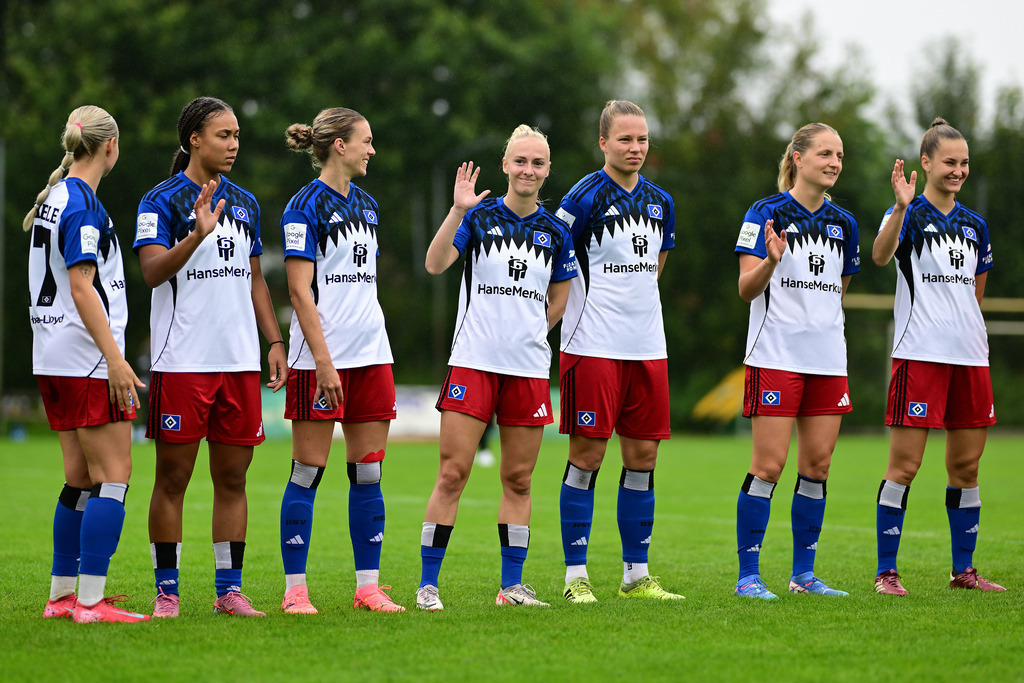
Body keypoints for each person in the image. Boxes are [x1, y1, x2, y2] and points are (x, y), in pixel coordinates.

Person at [135, 96, 287, 618]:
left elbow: (254, 280)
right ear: (194, 139)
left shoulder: (244, 203)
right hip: (182, 363)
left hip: (239, 363)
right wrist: (196, 237)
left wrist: (274, 342)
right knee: (173, 479)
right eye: (223, 135)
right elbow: (153, 272)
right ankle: (167, 591)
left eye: (237, 135)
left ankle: (229, 591)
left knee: (234, 479)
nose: (234, 144)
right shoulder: (160, 202)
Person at [417, 124, 577, 610]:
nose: (528, 170)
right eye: (520, 161)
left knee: (520, 480)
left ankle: (511, 587)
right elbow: (435, 262)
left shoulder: (556, 233)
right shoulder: (478, 216)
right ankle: (428, 585)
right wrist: (456, 209)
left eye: (538, 163)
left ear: (547, 171)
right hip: (472, 364)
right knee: (452, 474)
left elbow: (561, 299)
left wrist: (529, 332)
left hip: (527, 371)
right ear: (506, 165)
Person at [276, 107, 404, 614]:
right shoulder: (301, 207)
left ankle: (368, 587)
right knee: (307, 472)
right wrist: (325, 364)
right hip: (318, 362)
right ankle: (295, 591)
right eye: (367, 141)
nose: (373, 150)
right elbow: (299, 292)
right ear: (340, 146)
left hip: (373, 356)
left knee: (369, 474)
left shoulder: (369, 206)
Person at [555, 100, 682, 603]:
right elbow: (553, 255)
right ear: (603, 143)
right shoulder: (582, 197)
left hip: (647, 346)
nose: (636, 148)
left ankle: (636, 575)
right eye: (625, 139)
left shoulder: (661, 201)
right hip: (591, 344)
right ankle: (575, 576)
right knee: (587, 455)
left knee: (643, 456)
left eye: (643, 139)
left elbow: (657, 265)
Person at [871, 118, 1004, 595]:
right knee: (904, 467)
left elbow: (976, 294)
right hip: (919, 356)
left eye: (964, 163)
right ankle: (887, 572)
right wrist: (900, 209)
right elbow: (881, 256)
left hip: (970, 358)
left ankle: (963, 572)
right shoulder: (907, 214)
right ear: (925, 163)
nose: (958, 170)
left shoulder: (975, 226)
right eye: (949, 162)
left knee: (966, 469)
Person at [27, 105, 150, 623]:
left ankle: (62, 597)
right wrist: (116, 360)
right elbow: (81, 286)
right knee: (115, 477)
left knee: (79, 478)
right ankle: (92, 603)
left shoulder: (57, 196)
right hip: (84, 358)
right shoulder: (80, 203)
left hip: (53, 357)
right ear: (110, 147)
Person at [733, 122, 859, 600]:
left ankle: (804, 575)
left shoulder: (843, 223)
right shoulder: (764, 213)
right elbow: (747, 289)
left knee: (818, 466)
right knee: (769, 465)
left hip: (827, 359)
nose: (834, 162)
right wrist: (769, 261)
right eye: (825, 152)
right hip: (776, 355)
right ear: (798, 158)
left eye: (840, 155)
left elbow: (839, 293)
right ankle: (749, 576)